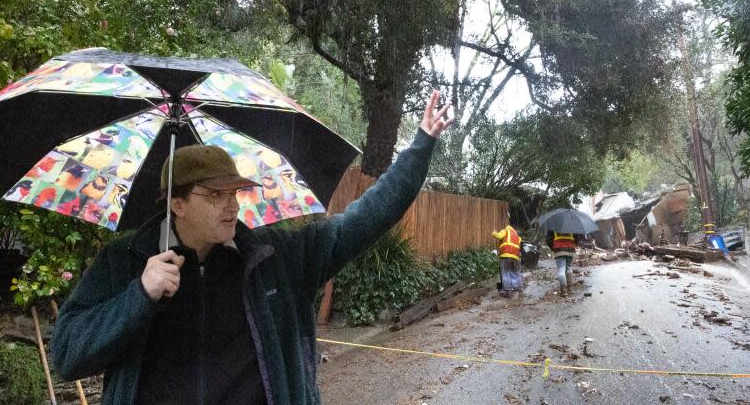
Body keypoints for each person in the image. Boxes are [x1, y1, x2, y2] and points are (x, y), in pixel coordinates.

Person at [51, 91, 453, 405]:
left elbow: (364, 220)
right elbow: (68, 354)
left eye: (235, 193)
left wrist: (421, 146)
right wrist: (139, 295)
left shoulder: (275, 258)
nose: (232, 205)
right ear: (178, 203)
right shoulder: (126, 261)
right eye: (215, 195)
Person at [492, 221, 523, 298]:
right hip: (515, 257)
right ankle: (519, 290)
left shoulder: (505, 231)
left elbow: (498, 236)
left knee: (505, 273)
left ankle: (509, 291)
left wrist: (494, 233)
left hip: (505, 256)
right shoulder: (517, 236)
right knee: (515, 273)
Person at [546, 229, 577, 296]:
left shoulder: (553, 226)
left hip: (559, 250)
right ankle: (570, 289)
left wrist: (553, 248)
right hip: (570, 250)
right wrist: (573, 246)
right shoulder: (572, 226)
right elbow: (577, 238)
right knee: (569, 268)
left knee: (561, 270)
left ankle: (564, 291)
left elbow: (548, 240)